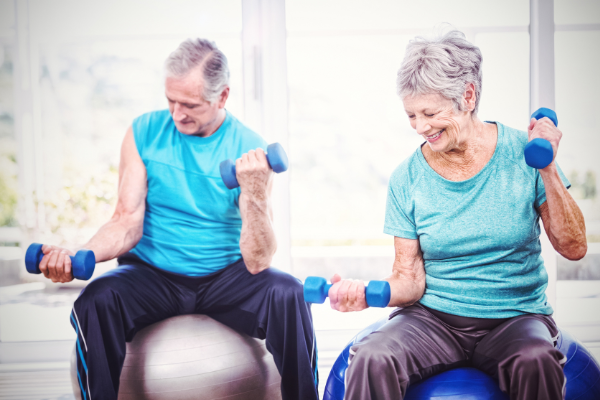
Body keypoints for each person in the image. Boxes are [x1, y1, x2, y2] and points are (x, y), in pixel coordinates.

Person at [37, 38, 319, 400]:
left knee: (289, 293)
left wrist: (254, 192)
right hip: (152, 275)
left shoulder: (249, 148)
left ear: (223, 97)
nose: (177, 114)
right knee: (96, 299)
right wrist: (78, 255)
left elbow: (259, 259)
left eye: (190, 105)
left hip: (227, 277)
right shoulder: (144, 132)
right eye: (170, 100)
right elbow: (126, 219)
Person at [328, 30, 587, 400]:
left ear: (468, 96)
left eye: (430, 113)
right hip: (433, 319)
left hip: (515, 317)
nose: (420, 127)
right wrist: (366, 294)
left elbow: (574, 247)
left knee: (536, 358)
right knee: (372, 355)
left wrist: (546, 168)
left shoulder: (524, 153)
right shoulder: (408, 177)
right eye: (412, 115)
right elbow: (409, 279)